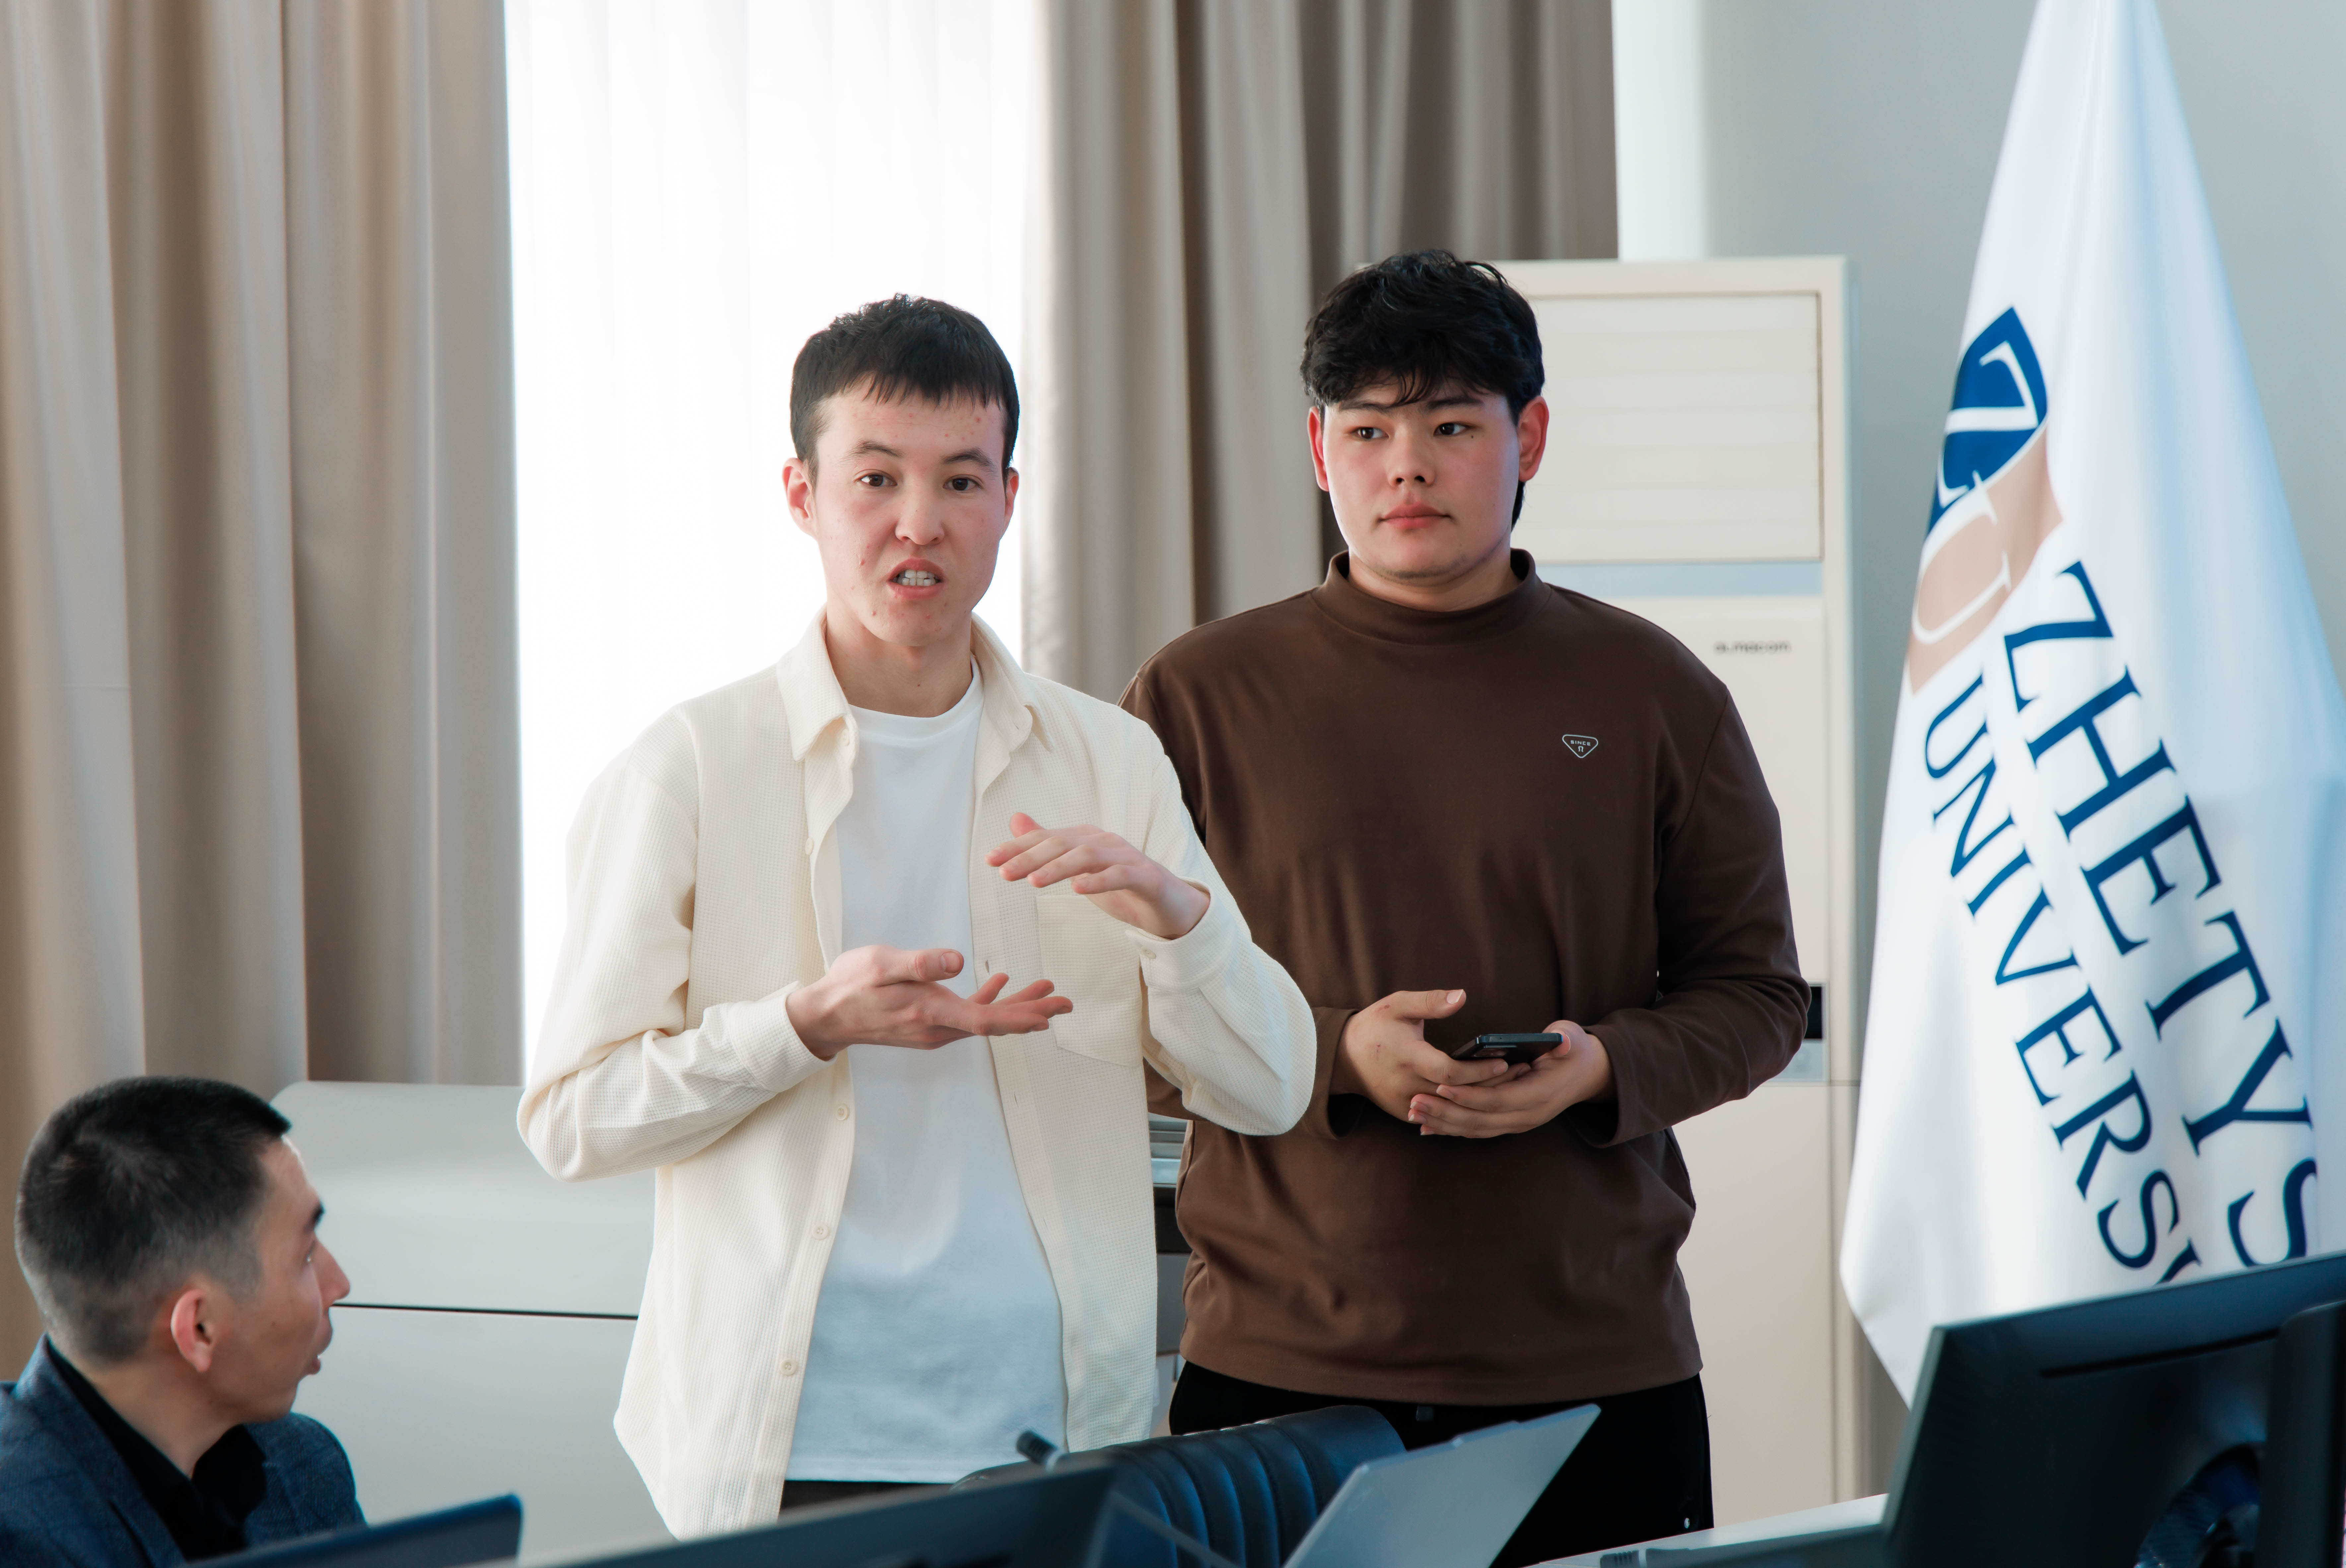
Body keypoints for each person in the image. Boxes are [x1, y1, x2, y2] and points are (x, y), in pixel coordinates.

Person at [519, 295, 1317, 1536]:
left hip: (1057, 1427)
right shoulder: (691, 766)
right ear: (802, 494)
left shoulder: (1108, 759)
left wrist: (1180, 918)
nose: (919, 522)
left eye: (959, 479)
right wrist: (804, 1025)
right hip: (788, 1436)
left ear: (1009, 496)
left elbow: (1270, 1090)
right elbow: (572, 1118)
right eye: (875, 478)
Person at [1122, 250, 1810, 1565]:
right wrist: (1334, 1053)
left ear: (1526, 437)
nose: (1407, 469)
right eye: (1367, 431)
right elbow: (1116, 1013)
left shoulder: (1652, 691)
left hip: (1594, 1366)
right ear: (1318, 450)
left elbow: (1757, 995)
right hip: (1281, 1376)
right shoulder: (1197, 696)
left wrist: (1601, 1066)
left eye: (1449, 427)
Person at [3, 1077, 362, 1565]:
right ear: (199, 1329)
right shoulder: (21, 1540)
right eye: (306, 1255)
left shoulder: (304, 1463)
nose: (339, 1284)